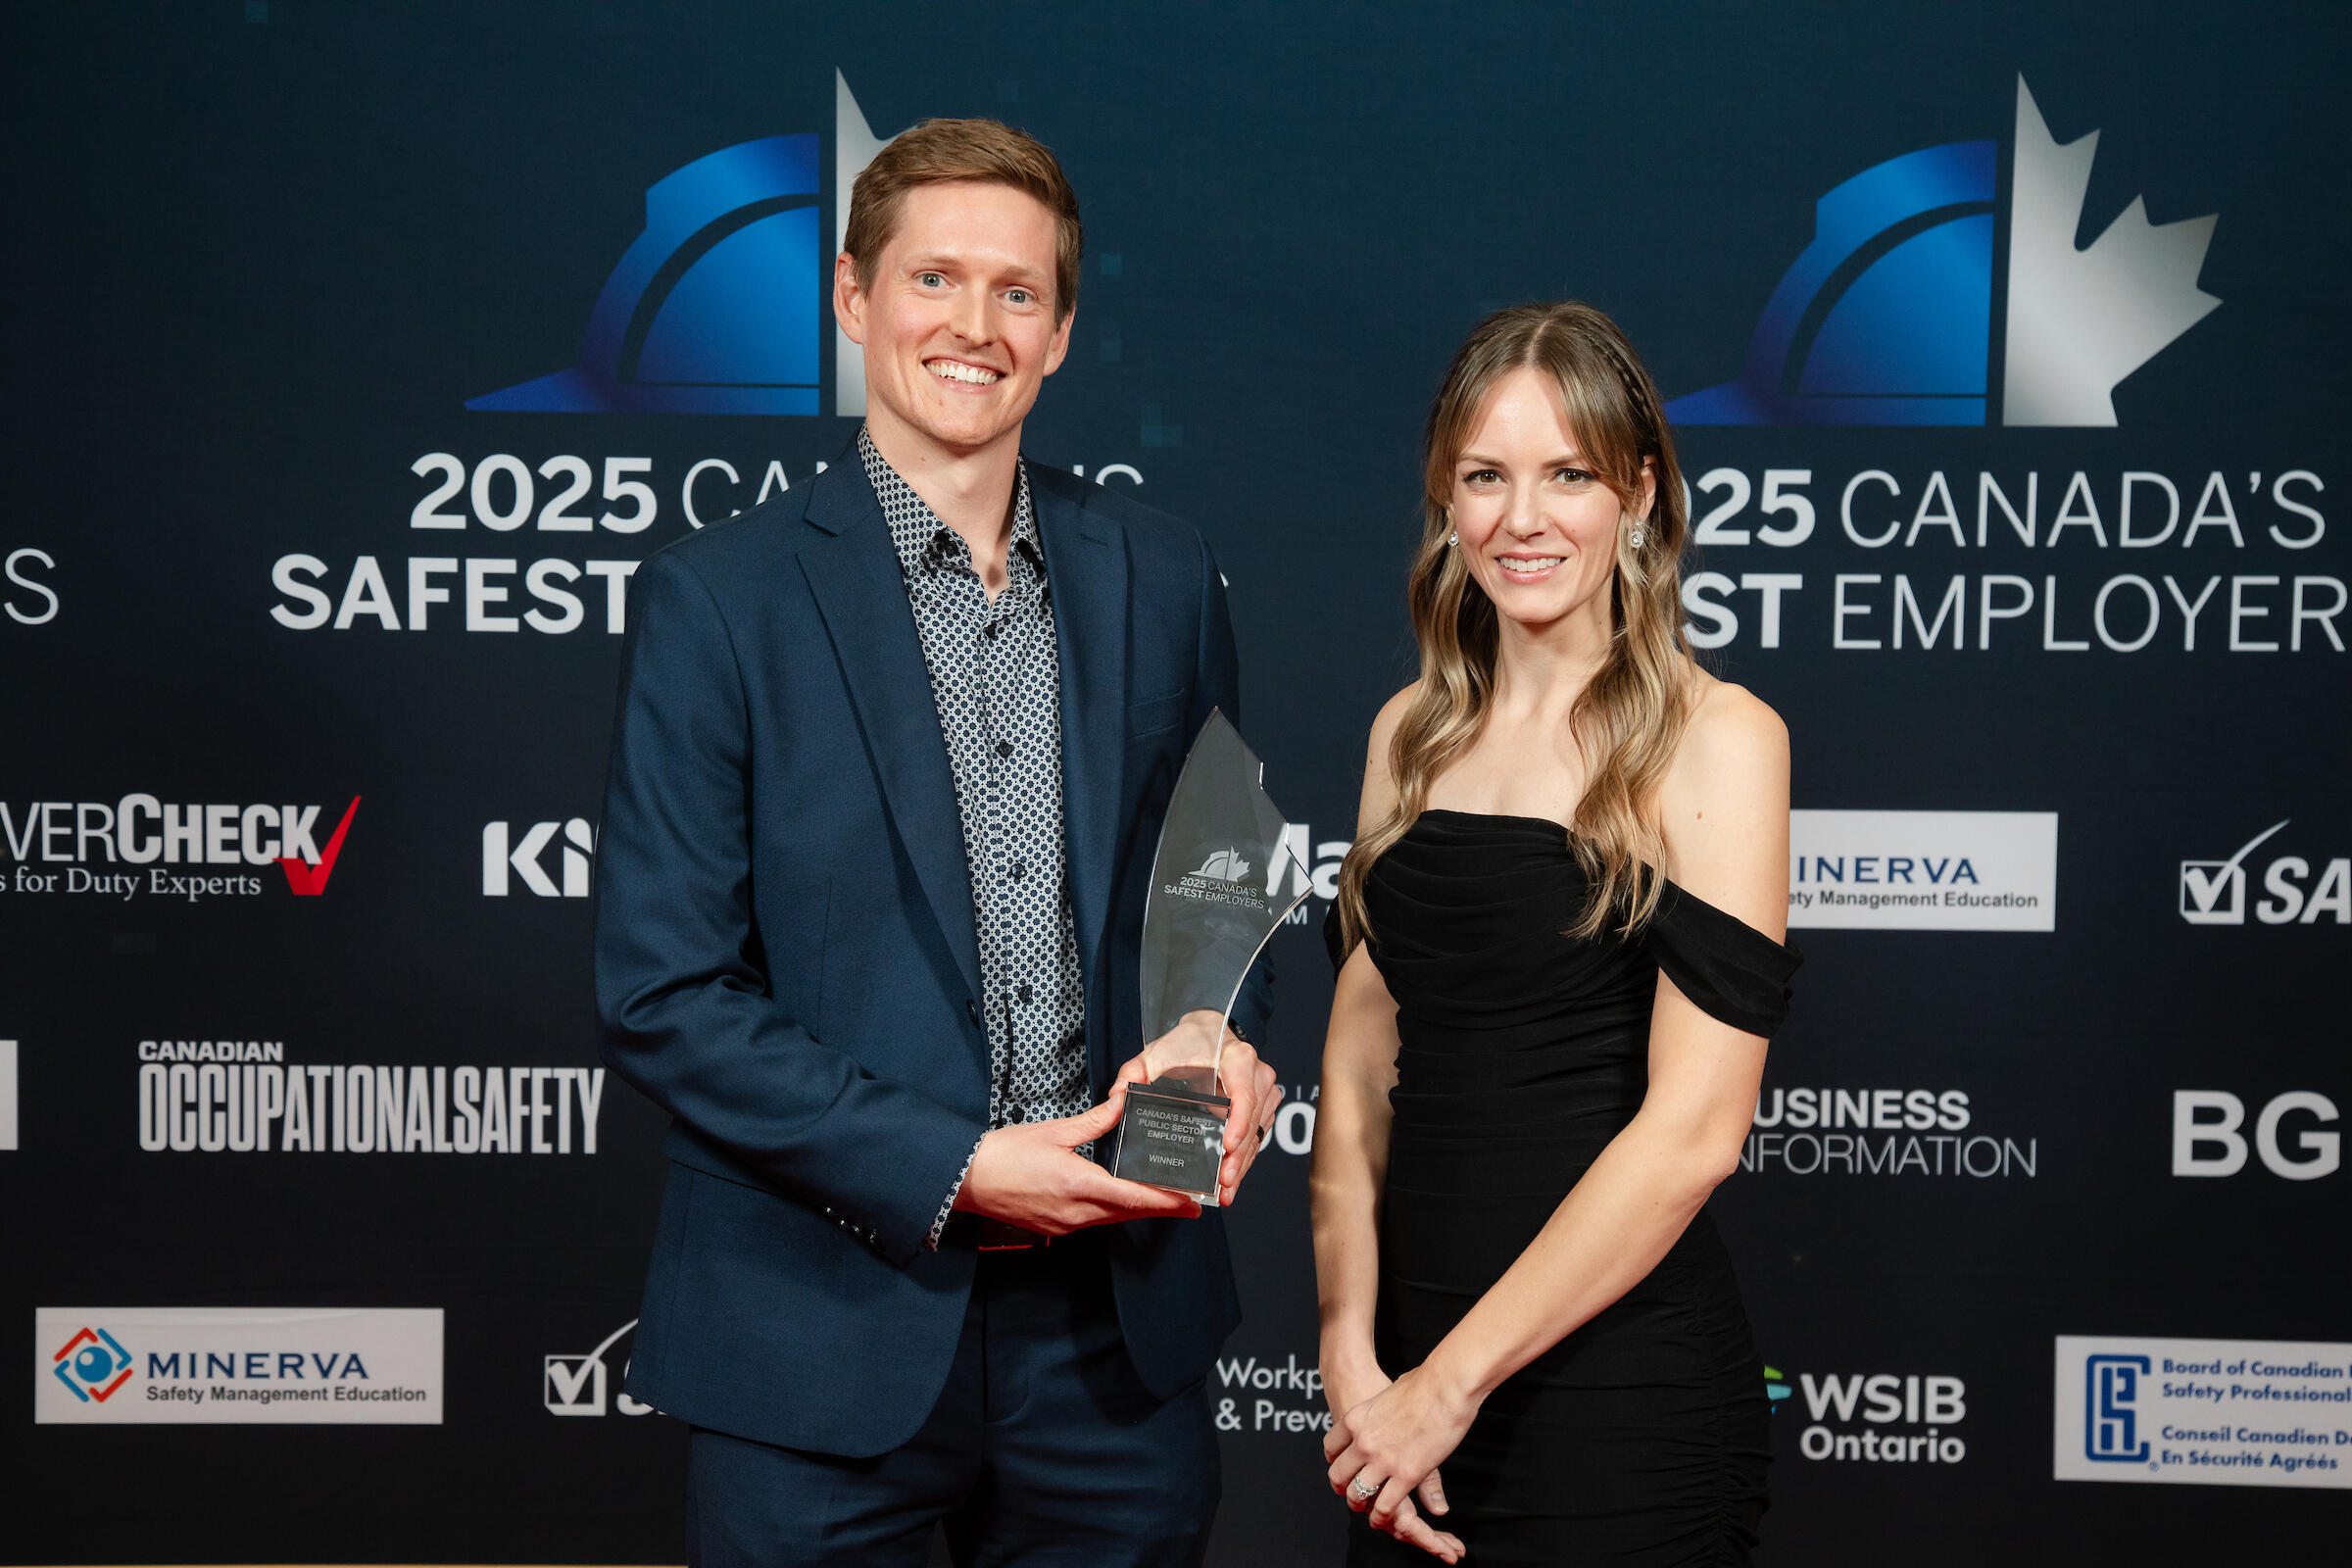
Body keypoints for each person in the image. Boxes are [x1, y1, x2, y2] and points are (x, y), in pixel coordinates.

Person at [594, 118, 1281, 1567]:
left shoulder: (1161, 573)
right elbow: (665, 990)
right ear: (851, 297)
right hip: (819, 1344)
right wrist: (956, 1167)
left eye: (1018, 293)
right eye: (935, 280)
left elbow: (1215, 880)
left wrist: (1220, 1034)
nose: (975, 327)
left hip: (1115, 1347)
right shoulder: (719, 603)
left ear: (1064, 330)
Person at [1309, 302, 1799, 1565]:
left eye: (1566, 475)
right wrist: (1351, 1343)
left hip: (1618, 1402)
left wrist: (1448, 1385)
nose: (1521, 520)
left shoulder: (1719, 736)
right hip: (1402, 1403)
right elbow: (1359, 1070)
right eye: (1485, 477)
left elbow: (1694, 1133)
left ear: (1637, 492)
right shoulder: (1405, 732)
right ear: (1447, 499)